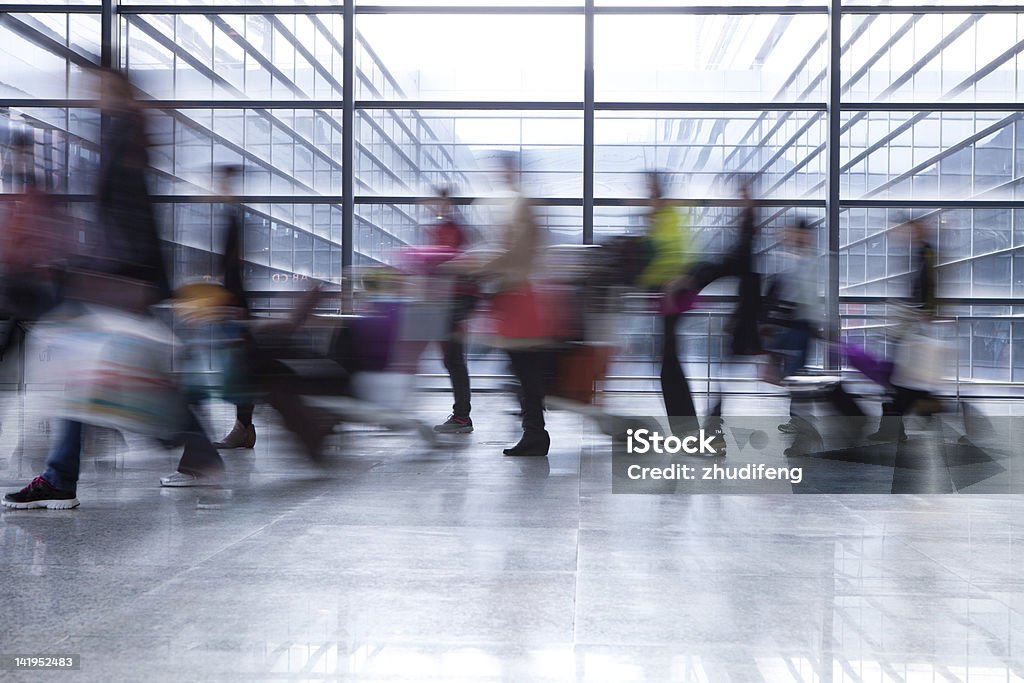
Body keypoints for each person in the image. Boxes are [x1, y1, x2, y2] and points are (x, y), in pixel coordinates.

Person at [3, 68, 225, 508]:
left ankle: (63, 478)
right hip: (125, 278)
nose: (89, 93)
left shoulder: (126, 136)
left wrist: (118, 276)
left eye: (96, 84)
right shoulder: (123, 134)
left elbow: (131, 216)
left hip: (124, 281)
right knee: (95, 374)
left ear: (114, 88)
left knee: (84, 370)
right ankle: (196, 456)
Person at [472, 153, 552, 457]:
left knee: (524, 369)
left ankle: (535, 433)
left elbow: (515, 252)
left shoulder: (521, 205)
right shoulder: (519, 205)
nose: (499, 174)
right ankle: (534, 432)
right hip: (516, 294)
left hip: (518, 295)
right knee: (521, 369)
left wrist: (475, 266)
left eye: (502, 168)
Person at [637, 171, 698, 437]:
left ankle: (686, 430)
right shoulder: (660, 216)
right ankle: (684, 429)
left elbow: (673, 253)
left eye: (650, 187)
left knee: (669, 364)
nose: (648, 192)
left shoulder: (668, 215)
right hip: (664, 296)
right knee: (668, 363)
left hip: (671, 296)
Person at [210, 164, 257, 450]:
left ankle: (243, 428)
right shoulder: (233, 216)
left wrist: (231, 304)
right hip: (234, 302)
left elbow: (233, 268)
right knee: (240, 368)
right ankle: (244, 428)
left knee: (240, 369)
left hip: (234, 303)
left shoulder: (234, 217)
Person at [427, 187, 478, 435]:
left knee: (454, 360)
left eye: (440, 201)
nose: (435, 206)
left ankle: (461, 417)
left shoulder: (452, 230)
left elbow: (447, 263)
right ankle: (461, 414)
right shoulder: (443, 228)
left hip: (453, 302)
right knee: (451, 360)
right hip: (445, 302)